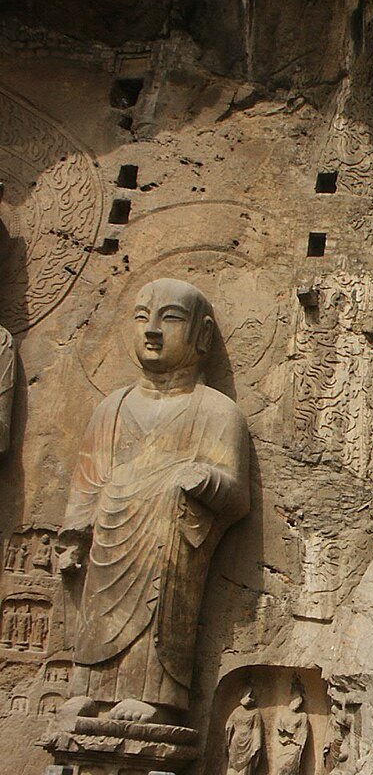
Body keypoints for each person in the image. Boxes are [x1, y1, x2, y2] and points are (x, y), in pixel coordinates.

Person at [58, 278, 252, 724]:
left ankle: (156, 696)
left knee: (162, 609)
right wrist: (73, 534)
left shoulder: (216, 411)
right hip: (110, 534)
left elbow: (236, 496)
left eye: (170, 318)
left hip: (170, 543)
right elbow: (88, 479)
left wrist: (202, 479)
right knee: (95, 614)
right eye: (142, 317)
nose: (152, 330)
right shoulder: (113, 406)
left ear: (202, 333)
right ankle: (87, 686)